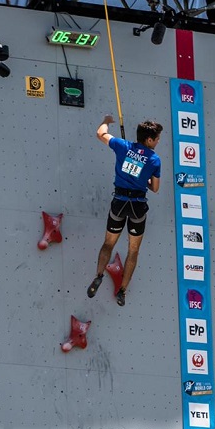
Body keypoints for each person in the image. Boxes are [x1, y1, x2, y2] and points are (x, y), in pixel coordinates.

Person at [87, 115, 163, 305]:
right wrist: (141, 176)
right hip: (137, 206)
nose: (159, 141)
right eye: (157, 138)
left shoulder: (123, 146)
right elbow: (154, 188)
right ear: (149, 140)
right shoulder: (154, 160)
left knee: (108, 244)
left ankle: (98, 275)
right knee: (133, 251)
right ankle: (122, 290)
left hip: (119, 202)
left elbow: (100, 134)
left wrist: (105, 120)